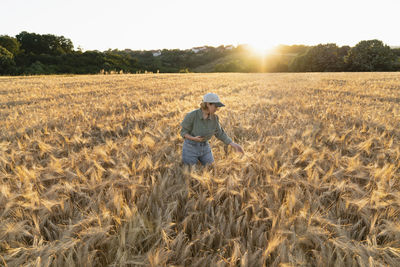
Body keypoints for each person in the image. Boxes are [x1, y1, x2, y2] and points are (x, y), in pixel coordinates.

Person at [180, 93, 244, 166]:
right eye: (216, 106)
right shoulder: (192, 115)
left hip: (205, 147)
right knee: (190, 171)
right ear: (208, 104)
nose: (217, 109)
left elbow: (219, 133)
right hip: (190, 148)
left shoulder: (215, 118)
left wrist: (234, 145)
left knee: (211, 169)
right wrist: (194, 138)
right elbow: (183, 132)